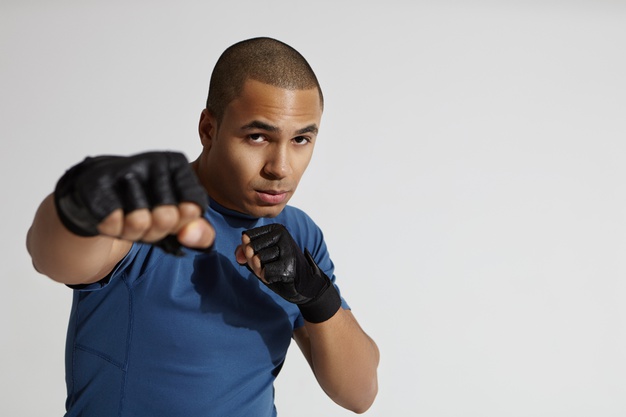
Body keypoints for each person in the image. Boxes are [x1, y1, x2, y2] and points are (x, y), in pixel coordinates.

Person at [26, 37, 379, 417]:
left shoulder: (298, 232)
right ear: (209, 129)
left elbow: (359, 394)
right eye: (258, 137)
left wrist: (317, 296)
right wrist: (76, 207)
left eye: (300, 140)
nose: (280, 167)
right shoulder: (152, 211)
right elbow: (53, 258)